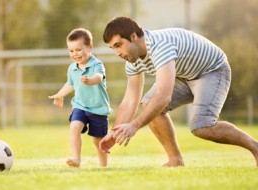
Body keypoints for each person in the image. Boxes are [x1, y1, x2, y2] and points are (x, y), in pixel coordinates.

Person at [99, 16, 258, 167]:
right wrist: (115, 132)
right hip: (183, 75)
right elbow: (130, 100)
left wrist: (134, 125)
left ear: (133, 36)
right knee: (148, 104)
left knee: (202, 127)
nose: (117, 53)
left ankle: (255, 147)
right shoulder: (132, 60)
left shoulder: (160, 46)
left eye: (118, 45)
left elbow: (163, 96)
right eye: (113, 48)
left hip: (212, 71)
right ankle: (175, 161)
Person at [49, 28, 112, 167]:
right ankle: (76, 159)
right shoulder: (72, 68)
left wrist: (90, 80)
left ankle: (103, 165)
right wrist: (60, 94)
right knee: (75, 126)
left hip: (98, 108)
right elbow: (70, 83)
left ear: (90, 47)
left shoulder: (97, 64)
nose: (74, 54)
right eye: (71, 51)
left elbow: (99, 77)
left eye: (78, 49)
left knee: (98, 140)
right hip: (80, 106)